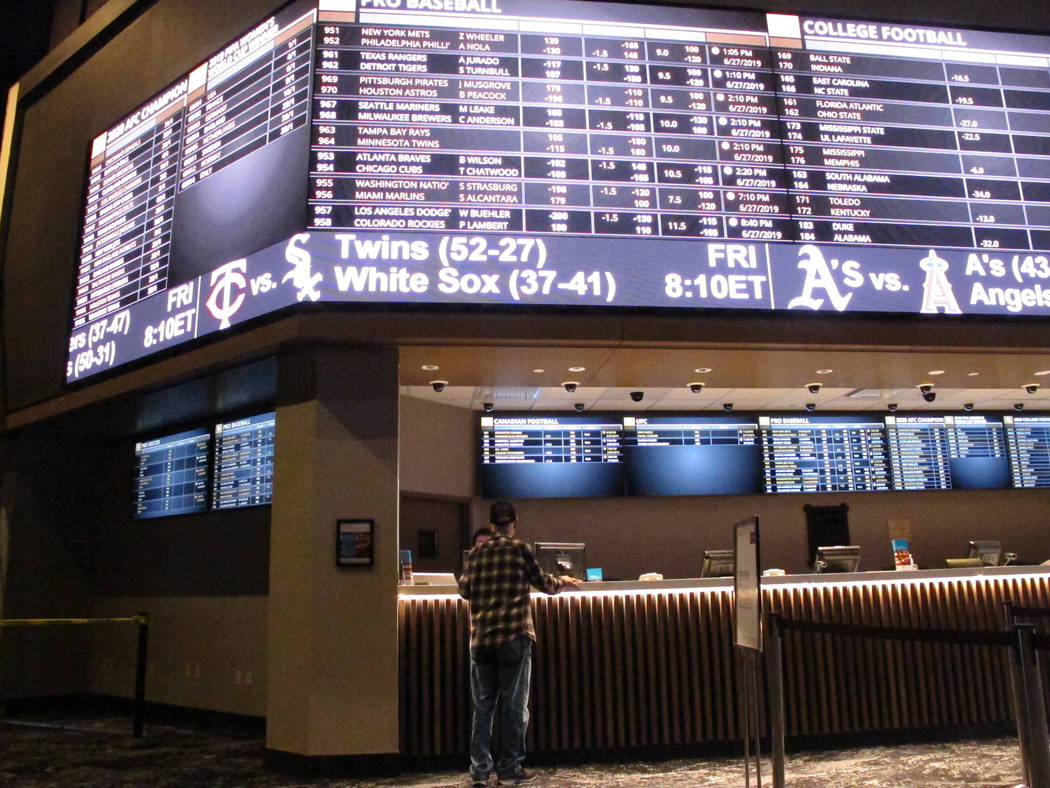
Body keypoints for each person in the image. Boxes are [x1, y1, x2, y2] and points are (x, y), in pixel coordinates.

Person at [458, 500, 580, 786]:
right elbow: (545, 585)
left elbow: (464, 591)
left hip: (482, 639)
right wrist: (564, 581)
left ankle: (479, 771)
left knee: (483, 708)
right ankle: (510, 769)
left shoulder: (476, 554)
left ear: (490, 525)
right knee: (513, 707)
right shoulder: (520, 550)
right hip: (514, 637)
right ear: (514, 522)